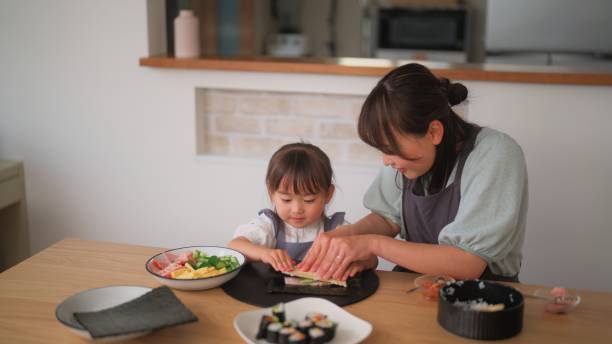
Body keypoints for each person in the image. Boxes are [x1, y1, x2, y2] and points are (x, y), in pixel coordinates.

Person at [298, 63, 528, 283]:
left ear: (434, 132)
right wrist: (346, 237)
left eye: (391, 149)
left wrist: (370, 244)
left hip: (482, 300)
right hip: (413, 286)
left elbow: (467, 263)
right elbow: (387, 218)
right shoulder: (408, 161)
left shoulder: (495, 154)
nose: (386, 161)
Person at [228, 142, 378, 276]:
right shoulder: (269, 225)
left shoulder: (336, 229)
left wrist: (361, 263)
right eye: (286, 199)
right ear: (271, 193)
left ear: (328, 194)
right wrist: (265, 253)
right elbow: (234, 246)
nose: (297, 209)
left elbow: (372, 259)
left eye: (309, 200)